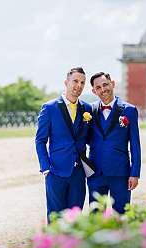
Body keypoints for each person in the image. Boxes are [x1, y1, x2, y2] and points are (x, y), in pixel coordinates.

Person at [35, 67, 93, 222]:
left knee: (75, 219)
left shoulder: (87, 109)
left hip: (79, 174)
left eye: (82, 82)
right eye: (75, 81)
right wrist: (46, 168)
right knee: (55, 219)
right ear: (66, 82)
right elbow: (40, 140)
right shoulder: (50, 108)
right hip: (55, 172)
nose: (79, 85)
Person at [87, 72, 141, 214]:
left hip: (121, 173)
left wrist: (135, 173)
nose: (103, 89)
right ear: (94, 91)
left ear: (113, 84)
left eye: (105, 84)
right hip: (95, 174)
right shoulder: (89, 110)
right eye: (98, 87)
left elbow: (135, 144)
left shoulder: (129, 110)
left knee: (122, 215)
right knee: (96, 217)